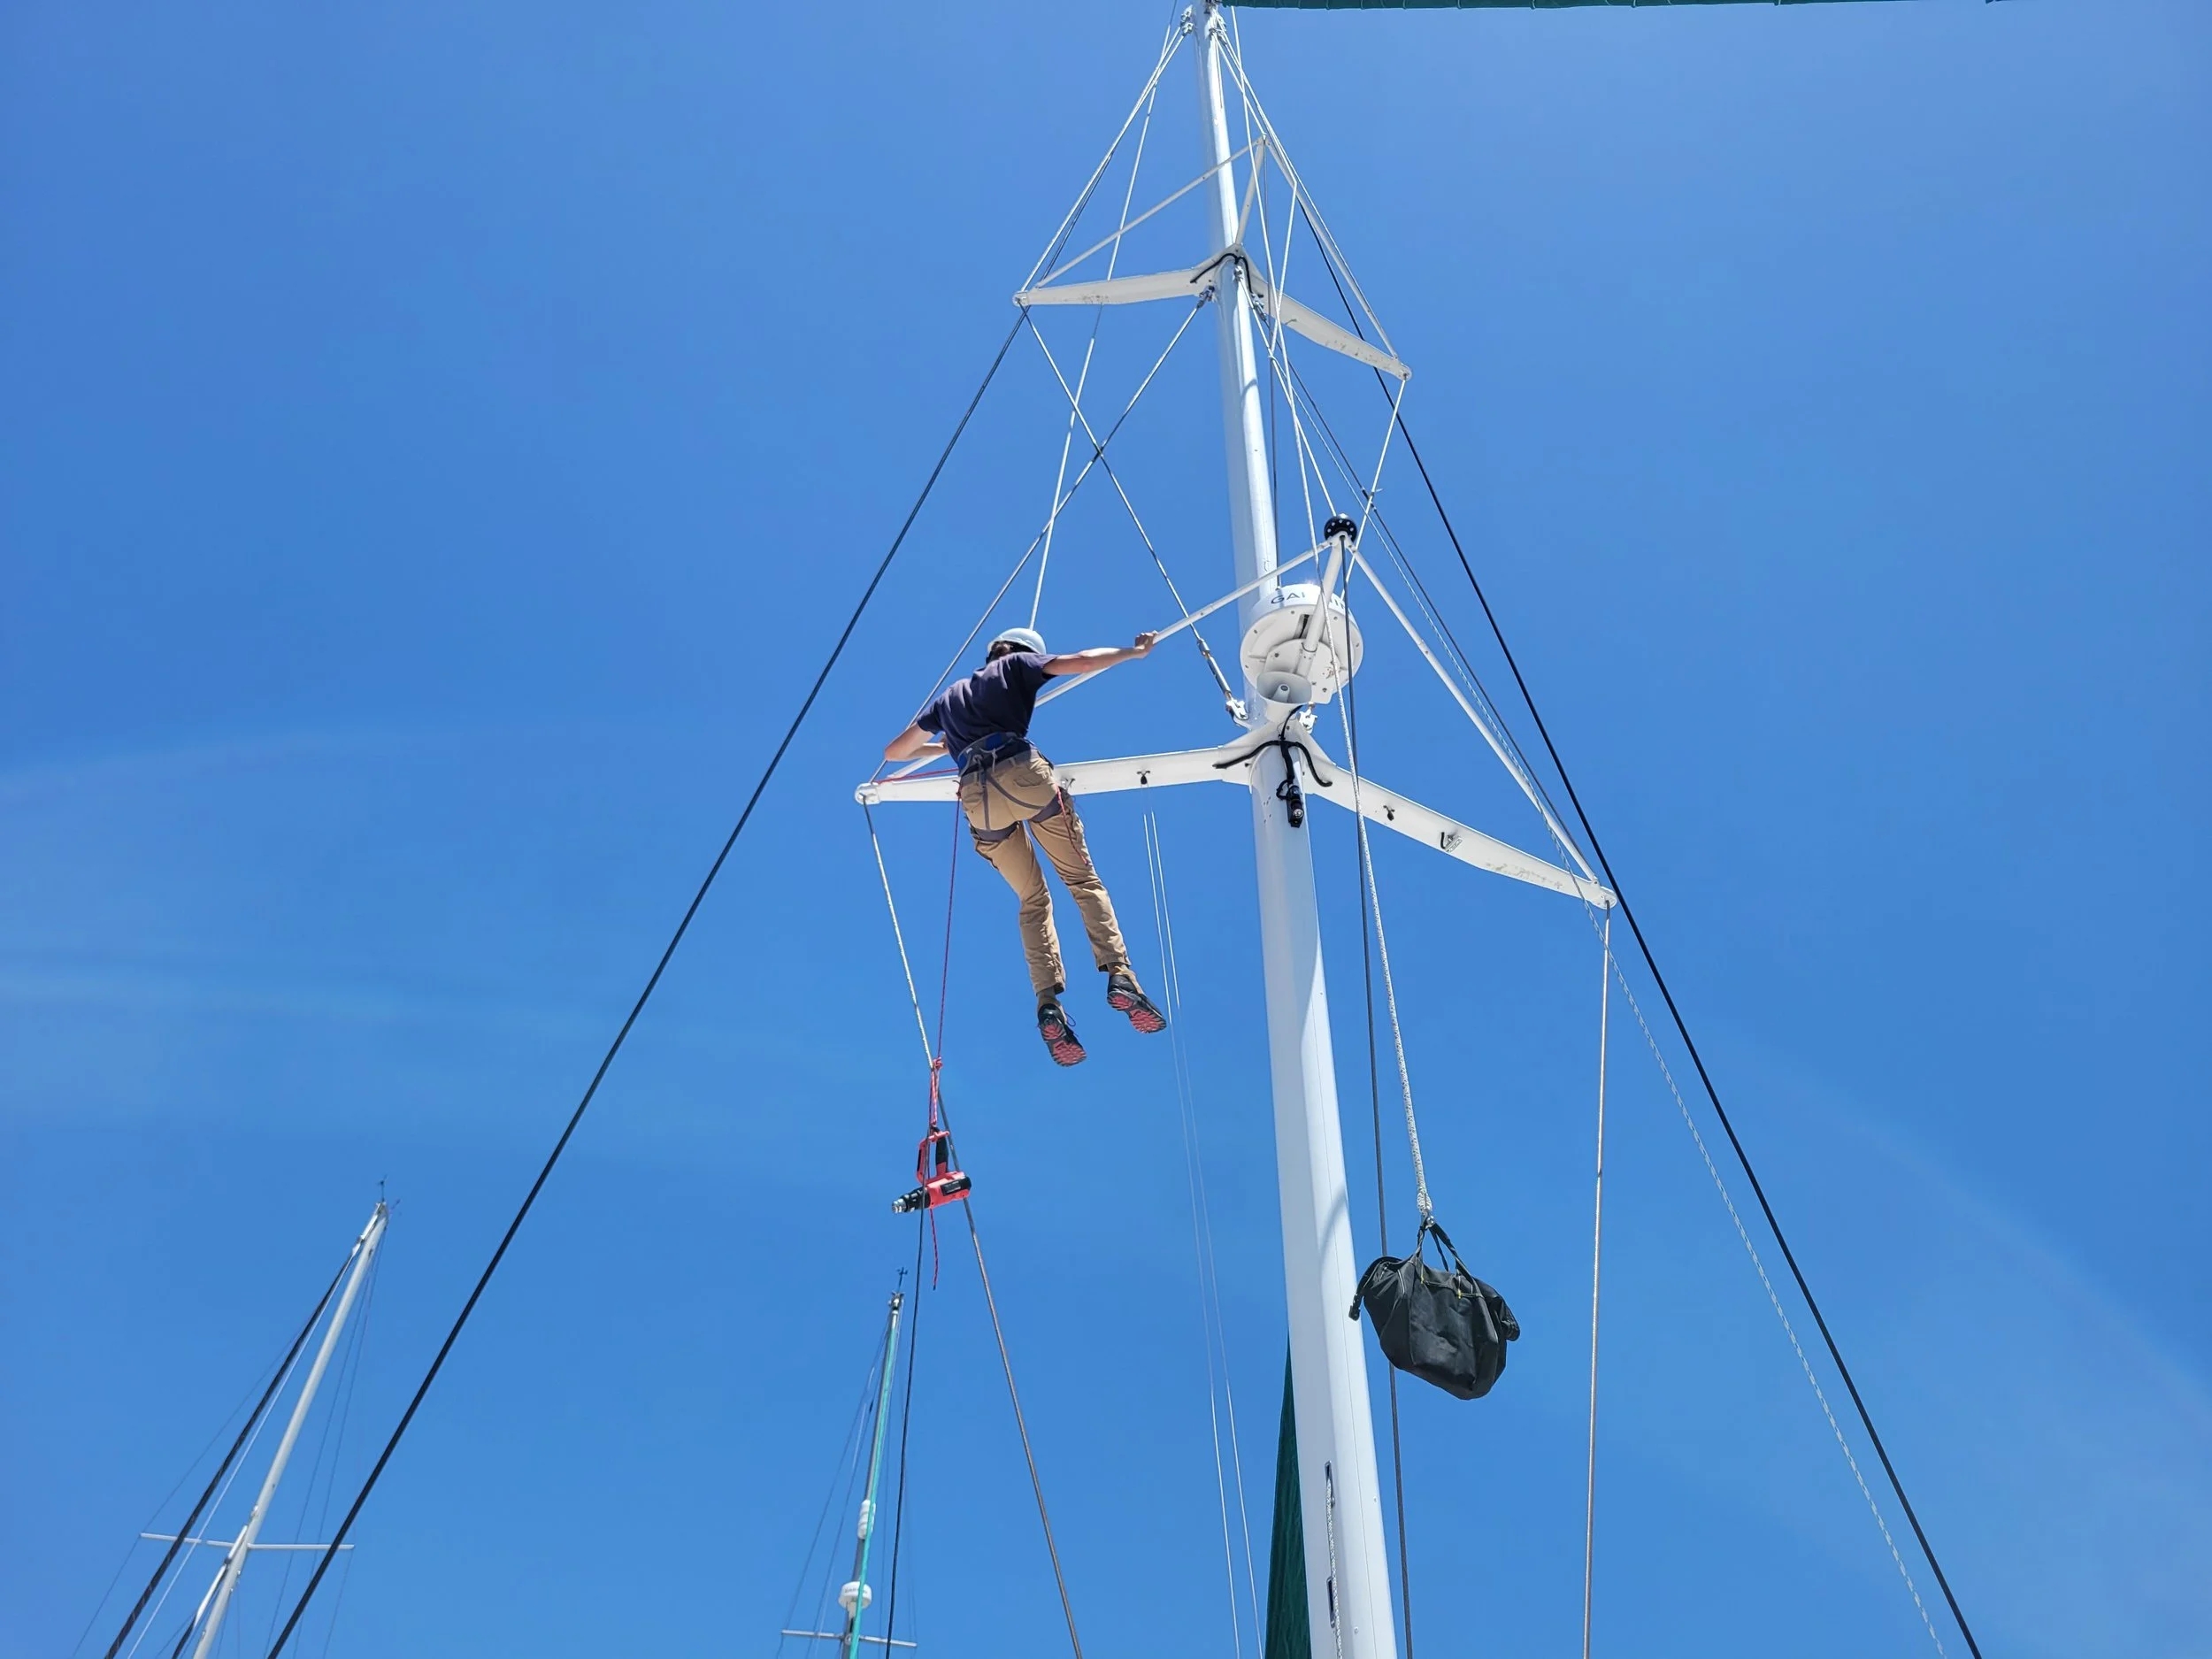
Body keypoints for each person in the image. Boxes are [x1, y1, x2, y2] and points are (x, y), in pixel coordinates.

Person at [885, 625, 1167, 1066]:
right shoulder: (1019, 665)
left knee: (1032, 900)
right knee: (1080, 879)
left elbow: (896, 751)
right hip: (1022, 774)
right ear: (1022, 652)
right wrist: (1132, 652)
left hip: (977, 798)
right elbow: (1082, 661)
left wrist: (949, 747)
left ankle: (1047, 1003)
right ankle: (1120, 975)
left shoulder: (950, 696)